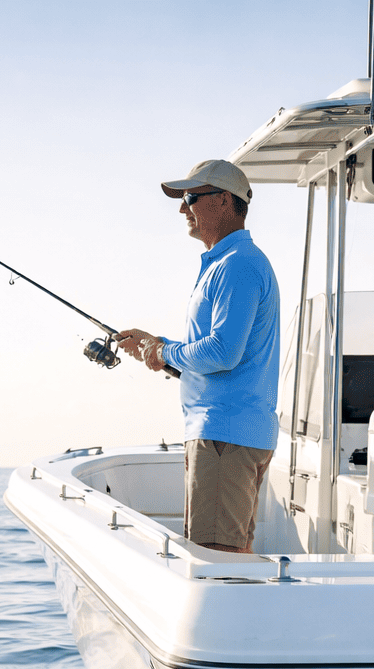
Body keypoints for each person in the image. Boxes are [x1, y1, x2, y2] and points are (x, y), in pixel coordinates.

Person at [114, 159, 281, 554]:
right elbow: (220, 355)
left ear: (223, 201)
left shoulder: (236, 265)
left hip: (224, 435)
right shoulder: (229, 264)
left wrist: (166, 349)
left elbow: (223, 352)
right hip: (228, 434)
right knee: (231, 554)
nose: (182, 209)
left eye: (190, 197)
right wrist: (157, 350)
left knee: (216, 559)